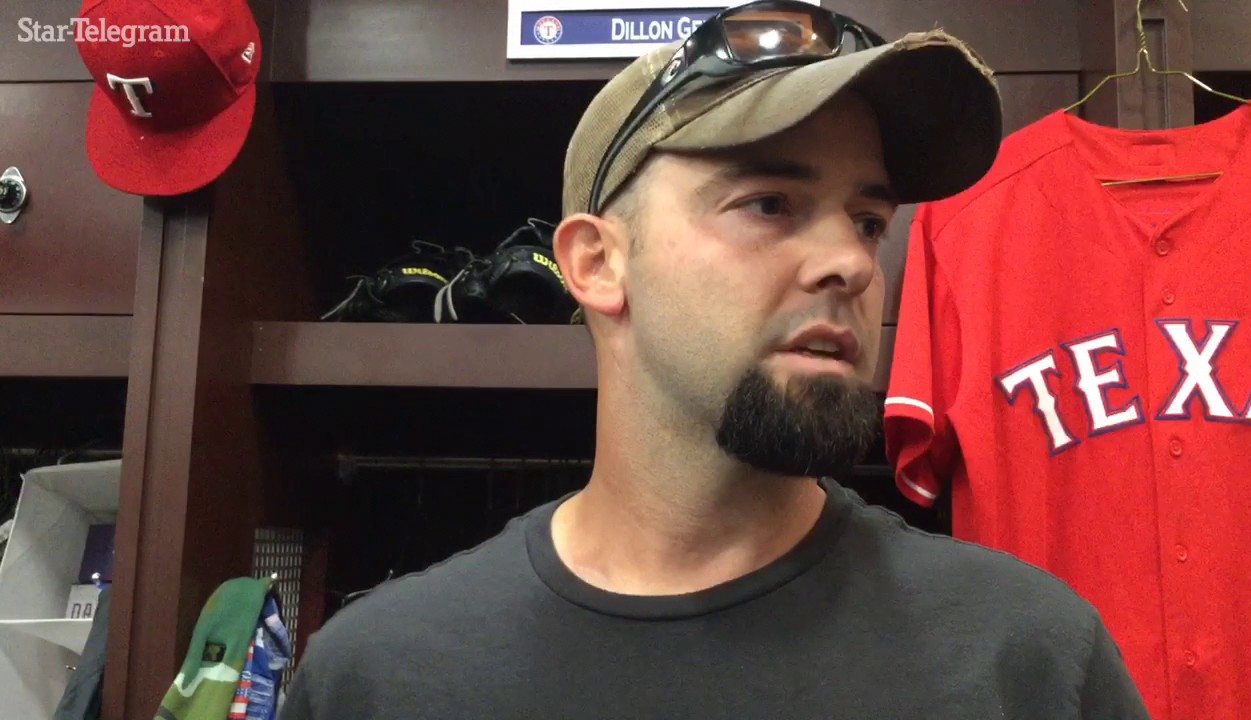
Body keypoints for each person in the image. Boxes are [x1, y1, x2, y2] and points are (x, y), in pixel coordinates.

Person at [278, 3, 1152, 718]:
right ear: (597, 264)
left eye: (867, 221)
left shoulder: (1026, 663)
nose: (851, 264)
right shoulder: (382, 678)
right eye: (769, 203)